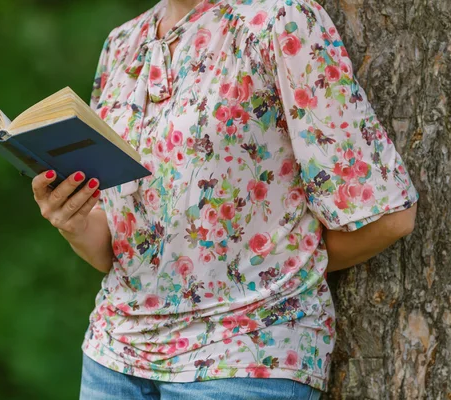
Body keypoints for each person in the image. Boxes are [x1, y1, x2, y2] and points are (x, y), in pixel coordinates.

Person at [31, 0, 419, 398]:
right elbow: (118, 250)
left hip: (243, 358)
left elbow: (389, 217)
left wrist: (270, 275)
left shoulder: (279, 21)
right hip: (113, 358)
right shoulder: (122, 44)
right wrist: (74, 222)